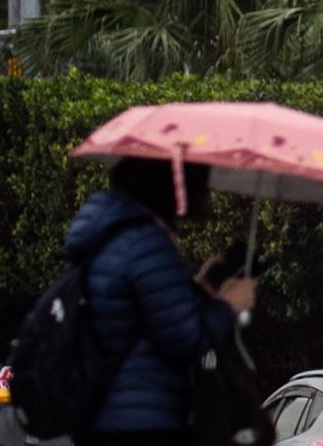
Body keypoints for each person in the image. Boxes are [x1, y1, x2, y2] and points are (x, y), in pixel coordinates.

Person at [67, 158, 256, 446]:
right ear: (167, 187)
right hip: (143, 422)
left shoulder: (107, 238)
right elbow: (186, 340)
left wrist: (196, 289)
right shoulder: (148, 244)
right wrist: (229, 305)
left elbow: (143, 317)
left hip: (101, 416)